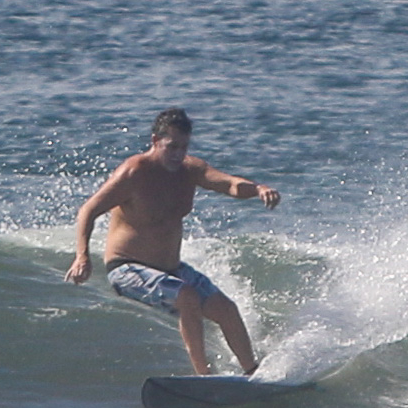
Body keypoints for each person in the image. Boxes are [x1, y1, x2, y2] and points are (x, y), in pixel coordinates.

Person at [64, 108, 280, 376]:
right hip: (127, 268)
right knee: (186, 296)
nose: (178, 154)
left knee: (226, 309)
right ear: (155, 141)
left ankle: (253, 373)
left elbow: (230, 185)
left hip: (171, 269)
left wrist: (258, 188)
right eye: (172, 146)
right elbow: (88, 210)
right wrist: (82, 256)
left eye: (184, 147)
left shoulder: (189, 170)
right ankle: (205, 377)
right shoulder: (134, 172)